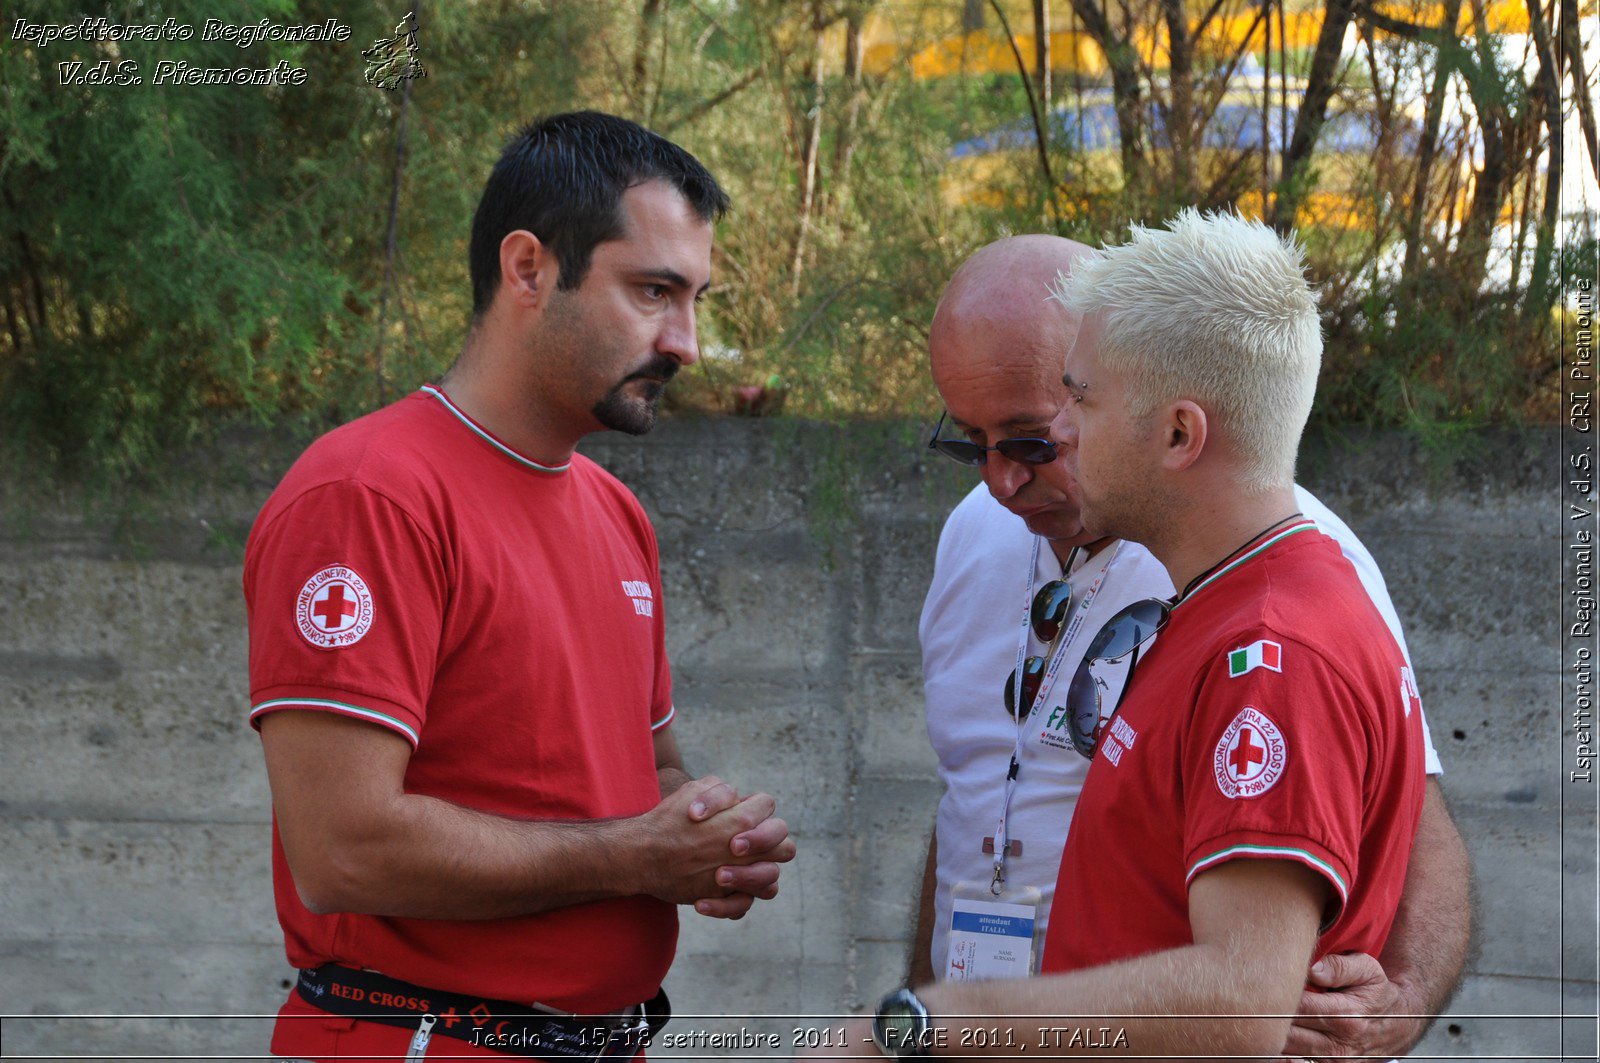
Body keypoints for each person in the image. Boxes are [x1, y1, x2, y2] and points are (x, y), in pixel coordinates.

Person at [820, 214, 1463, 1060]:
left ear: (1177, 431)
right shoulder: (1193, 595)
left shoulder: (1272, 635)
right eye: (964, 443)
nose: (1001, 479)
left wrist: (1400, 1001)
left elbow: (1243, 996)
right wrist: (924, 1017)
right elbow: (972, 802)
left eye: (1046, 423)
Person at [245, 111, 795, 1063]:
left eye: (696, 298)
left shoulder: (617, 513)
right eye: (655, 291)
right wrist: (636, 852)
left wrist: (704, 838)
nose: (688, 342)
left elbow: (644, 777)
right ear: (529, 268)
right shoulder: (369, 493)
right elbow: (343, 850)